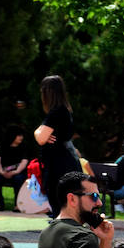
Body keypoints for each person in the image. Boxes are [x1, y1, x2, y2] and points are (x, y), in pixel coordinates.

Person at [34, 75, 79, 217]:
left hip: (59, 166)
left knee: (59, 203)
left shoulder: (56, 112)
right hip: (63, 163)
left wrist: (38, 131)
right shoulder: (64, 110)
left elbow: (41, 138)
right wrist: (40, 132)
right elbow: (42, 136)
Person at [0, 127, 29, 212]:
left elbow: (24, 162)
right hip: (2, 171)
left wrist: (15, 172)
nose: (21, 137)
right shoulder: (2, 146)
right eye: (19, 135)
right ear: (12, 136)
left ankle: (17, 205)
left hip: (17, 172)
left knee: (18, 179)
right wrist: (2, 172)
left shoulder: (24, 147)